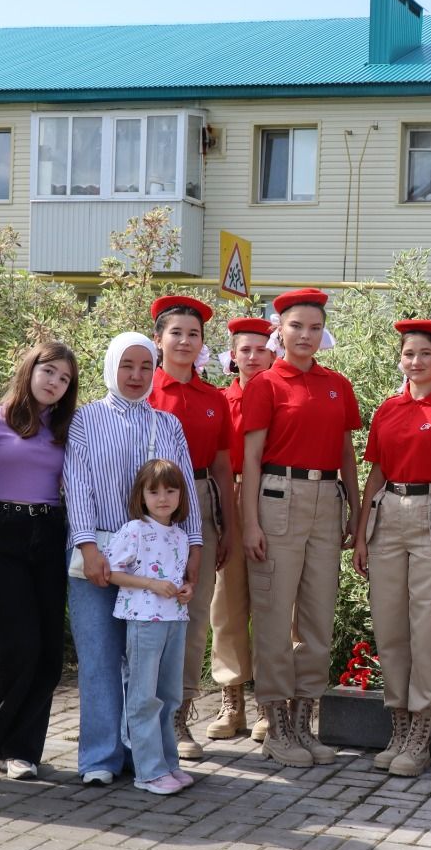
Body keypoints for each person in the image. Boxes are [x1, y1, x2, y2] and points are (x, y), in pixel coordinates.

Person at [65, 332, 201, 787]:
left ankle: (140, 755)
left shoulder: (168, 424)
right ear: (111, 367)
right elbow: (78, 486)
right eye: (128, 365)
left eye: (146, 366)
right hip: (101, 554)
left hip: (160, 561)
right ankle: (100, 757)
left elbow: (187, 494)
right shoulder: (85, 420)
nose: (137, 375)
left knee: (148, 667)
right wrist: (87, 547)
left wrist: (194, 549)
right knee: (101, 655)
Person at [352, 319, 431, 777]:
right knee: (390, 627)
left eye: (426, 354)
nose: (416, 362)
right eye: (409, 354)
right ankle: (399, 724)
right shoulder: (388, 409)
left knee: (429, 628)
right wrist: (364, 531)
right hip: (389, 517)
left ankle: (421, 732)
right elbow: (376, 473)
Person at [241, 288, 362, 768]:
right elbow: (251, 457)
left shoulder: (338, 384)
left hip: (326, 501)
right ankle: (276, 727)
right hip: (277, 498)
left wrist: (356, 509)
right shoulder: (265, 385)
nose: (306, 336)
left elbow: (347, 452)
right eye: (297, 326)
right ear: (280, 328)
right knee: (273, 615)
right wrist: (249, 521)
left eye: (314, 327)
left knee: (317, 614)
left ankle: (305, 723)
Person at [0, 342, 79, 781]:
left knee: (48, 651)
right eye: (49, 371)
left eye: (64, 379)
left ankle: (21, 749)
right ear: (30, 368)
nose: (55, 383)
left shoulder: (66, 426)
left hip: (49, 533)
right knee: (16, 643)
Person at [147, 295, 237, 762]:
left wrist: (229, 527)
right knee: (143, 610)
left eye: (193, 334)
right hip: (144, 511)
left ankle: (179, 715)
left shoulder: (214, 398)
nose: (184, 341)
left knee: (193, 612)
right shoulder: (143, 391)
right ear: (159, 338)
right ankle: (139, 713)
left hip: (199, 504)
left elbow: (223, 466)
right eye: (175, 332)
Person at [107, 459, 197, 796]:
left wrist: (187, 588)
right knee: (144, 696)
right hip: (145, 621)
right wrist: (151, 584)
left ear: (180, 495)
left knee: (169, 695)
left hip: (175, 620)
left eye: (170, 490)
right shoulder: (135, 530)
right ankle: (148, 771)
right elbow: (111, 572)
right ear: (141, 495)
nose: (163, 498)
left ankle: (168, 763)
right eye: (154, 491)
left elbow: (178, 577)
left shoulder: (181, 535)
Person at [205, 315, 275, 742]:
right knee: (226, 606)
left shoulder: (282, 396)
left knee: (274, 605)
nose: (252, 357)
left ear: (273, 354)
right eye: (244, 350)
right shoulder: (219, 400)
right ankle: (232, 700)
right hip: (229, 499)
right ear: (232, 355)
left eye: (261, 349)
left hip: (272, 498)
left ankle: (271, 702)